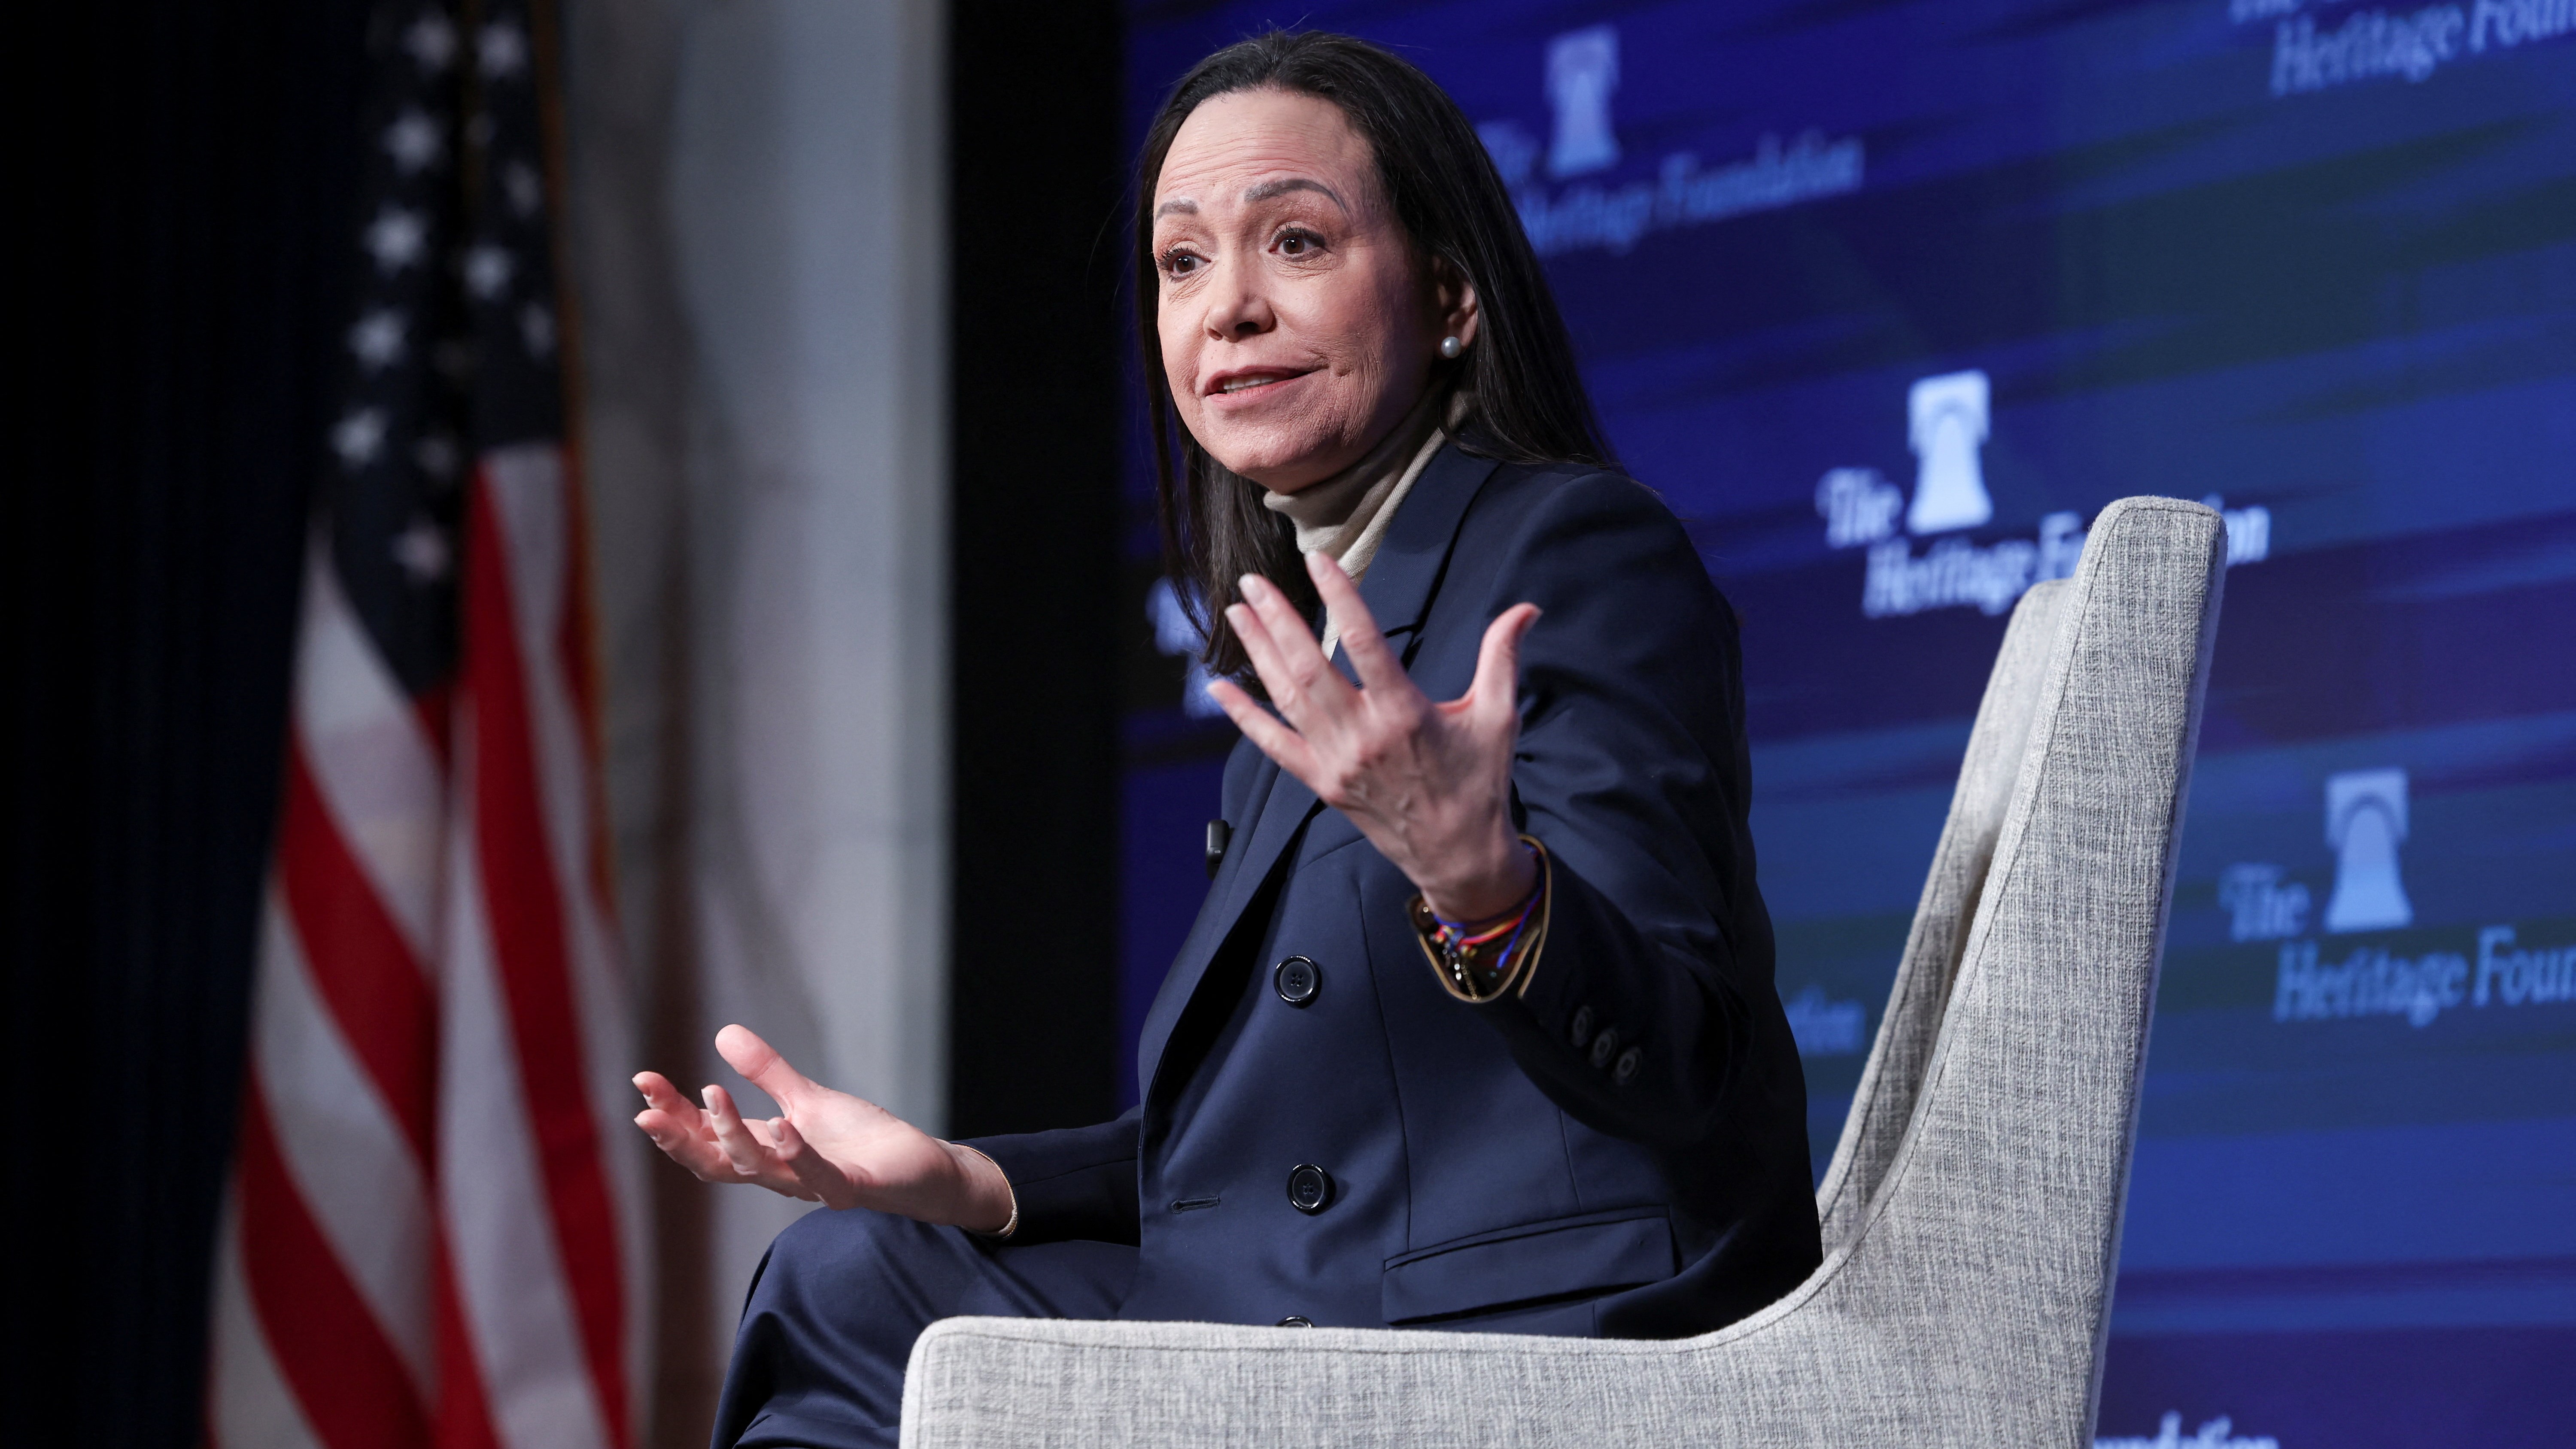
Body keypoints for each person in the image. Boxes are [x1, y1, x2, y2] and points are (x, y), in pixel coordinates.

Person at [631, 30, 1820, 1449]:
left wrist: (1484, 885)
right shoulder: (1309, 642)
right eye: (1182, 263)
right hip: (1323, 1297)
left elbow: (1683, 1056)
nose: (1229, 310)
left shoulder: (1574, 551)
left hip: (1521, 1331)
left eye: (1296, 242)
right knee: (852, 1270)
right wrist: (964, 1181)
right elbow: (1268, 1155)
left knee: (852, 1296)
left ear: (1452, 296)